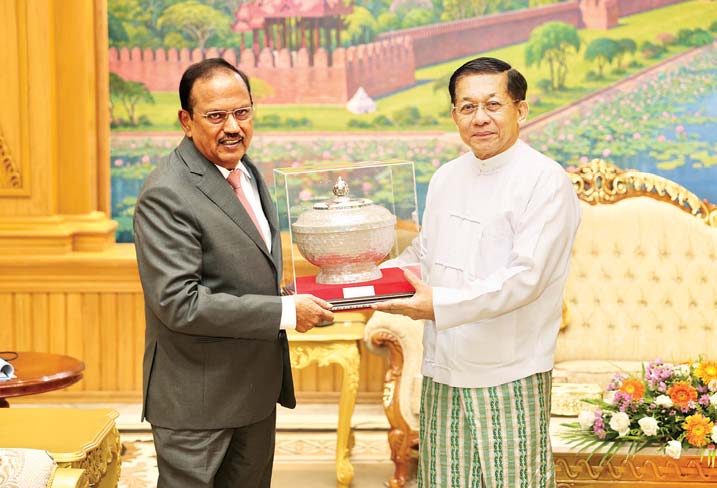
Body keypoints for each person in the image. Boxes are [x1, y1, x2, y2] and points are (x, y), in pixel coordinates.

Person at [373, 57, 582, 487]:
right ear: (455, 115)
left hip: (510, 369)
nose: (480, 118)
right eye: (467, 107)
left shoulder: (545, 180)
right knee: (443, 480)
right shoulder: (446, 177)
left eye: (493, 104)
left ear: (520, 110)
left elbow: (525, 278)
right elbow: (425, 253)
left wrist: (438, 304)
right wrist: (366, 281)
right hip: (444, 366)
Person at [133, 58, 334, 488]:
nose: (233, 127)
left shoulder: (245, 170)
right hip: (198, 402)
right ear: (186, 121)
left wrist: (302, 291)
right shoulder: (166, 192)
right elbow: (180, 304)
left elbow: (245, 268)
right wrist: (285, 312)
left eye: (242, 112)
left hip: (255, 393)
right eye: (216, 116)